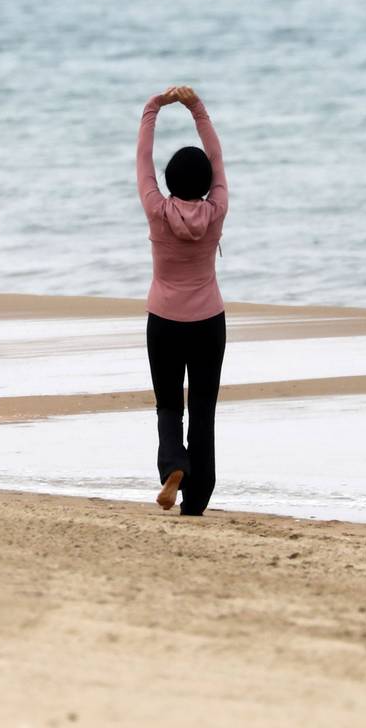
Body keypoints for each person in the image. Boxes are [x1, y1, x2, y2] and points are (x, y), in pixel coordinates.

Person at [135, 84, 228, 515]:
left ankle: (174, 465)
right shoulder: (217, 210)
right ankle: (197, 502)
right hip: (208, 321)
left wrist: (153, 107)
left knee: (169, 404)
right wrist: (196, 108)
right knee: (203, 410)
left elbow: (142, 163)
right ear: (208, 181)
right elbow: (220, 158)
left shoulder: (157, 209)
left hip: (164, 321)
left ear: (170, 182)